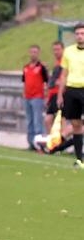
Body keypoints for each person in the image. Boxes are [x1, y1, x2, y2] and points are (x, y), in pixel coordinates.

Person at [57, 22, 84, 169]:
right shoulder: (68, 51)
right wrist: (60, 94)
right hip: (72, 91)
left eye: (82, 33)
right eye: (78, 34)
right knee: (75, 125)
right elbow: (64, 74)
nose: (80, 36)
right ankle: (79, 159)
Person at [22, 44, 49, 150]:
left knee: (38, 121)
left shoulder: (42, 67)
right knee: (29, 121)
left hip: (37, 97)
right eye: (32, 52)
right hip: (27, 97)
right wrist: (24, 92)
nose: (33, 54)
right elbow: (24, 81)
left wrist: (46, 95)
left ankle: (39, 144)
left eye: (35, 52)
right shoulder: (26, 67)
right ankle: (31, 143)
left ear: (38, 53)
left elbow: (46, 81)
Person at [44, 41, 65, 134]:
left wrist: (61, 83)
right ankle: (52, 144)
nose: (56, 52)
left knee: (61, 120)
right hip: (53, 95)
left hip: (61, 95)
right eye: (54, 50)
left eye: (58, 49)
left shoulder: (65, 62)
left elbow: (66, 78)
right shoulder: (57, 63)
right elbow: (52, 81)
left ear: (63, 50)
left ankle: (62, 144)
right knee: (48, 120)